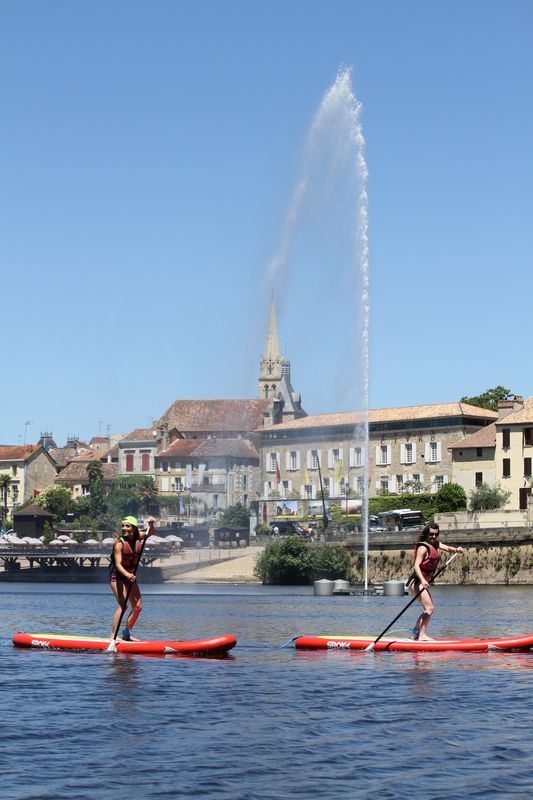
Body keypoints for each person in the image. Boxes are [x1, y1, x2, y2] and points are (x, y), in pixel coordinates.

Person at [409, 523, 464, 641]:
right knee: (429, 609)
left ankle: (415, 633)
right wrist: (423, 580)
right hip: (417, 582)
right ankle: (422, 635)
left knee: (428, 609)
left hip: (422, 583)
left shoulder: (436, 544)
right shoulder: (423, 548)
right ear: (427, 534)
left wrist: (456, 550)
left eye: (436, 534)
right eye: (431, 534)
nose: (433, 537)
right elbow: (416, 566)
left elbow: (448, 549)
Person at [109, 515, 156, 641]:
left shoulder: (138, 537)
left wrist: (151, 523)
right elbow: (118, 565)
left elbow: (150, 532)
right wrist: (128, 575)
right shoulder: (119, 544)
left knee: (138, 606)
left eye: (127, 526)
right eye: (123, 526)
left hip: (130, 576)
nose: (124, 528)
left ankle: (126, 633)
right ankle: (113, 636)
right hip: (118, 575)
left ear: (134, 529)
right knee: (123, 605)